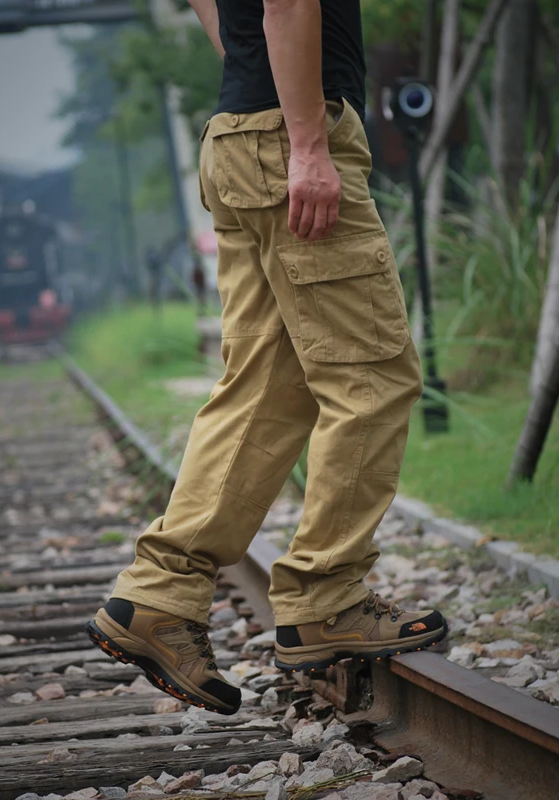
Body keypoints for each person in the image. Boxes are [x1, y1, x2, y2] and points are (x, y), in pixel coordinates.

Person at [86, 0, 448, 716]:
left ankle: (159, 599)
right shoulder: (300, 135)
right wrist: (307, 140)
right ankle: (327, 596)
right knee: (371, 376)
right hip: (288, 137)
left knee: (265, 388)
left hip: (243, 132)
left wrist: (260, 77)